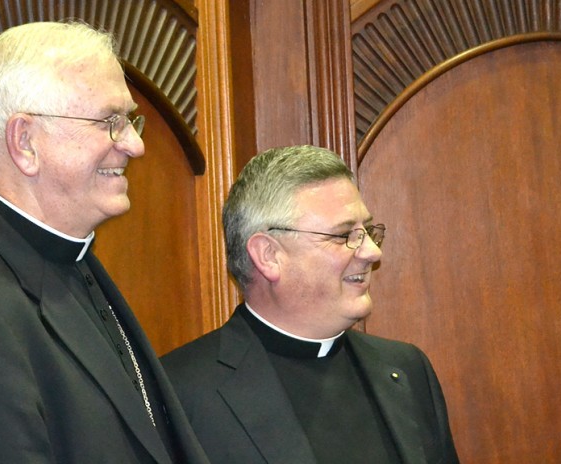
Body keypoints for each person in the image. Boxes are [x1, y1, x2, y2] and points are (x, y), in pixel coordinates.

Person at [0, 21, 208, 464]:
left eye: (129, 121)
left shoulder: (70, 258)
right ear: (25, 142)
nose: (134, 144)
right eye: (110, 122)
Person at [161, 145, 459, 463]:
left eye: (368, 231)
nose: (372, 252)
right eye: (344, 235)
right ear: (269, 256)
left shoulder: (406, 369)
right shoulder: (178, 394)